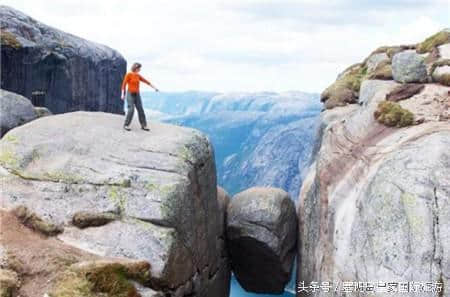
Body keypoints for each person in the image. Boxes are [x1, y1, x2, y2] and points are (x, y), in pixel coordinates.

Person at [121, 62, 159, 131]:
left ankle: (144, 126)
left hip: (137, 95)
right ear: (136, 68)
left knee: (140, 109)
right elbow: (124, 84)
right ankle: (126, 125)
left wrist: (154, 87)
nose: (140, 69)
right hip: (130, 94)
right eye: (139, 68)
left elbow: (146, 81)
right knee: (131, 109)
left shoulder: (138, 76)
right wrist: (122, 94)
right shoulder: (129, 75)